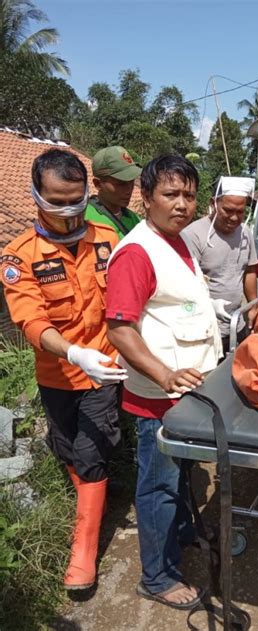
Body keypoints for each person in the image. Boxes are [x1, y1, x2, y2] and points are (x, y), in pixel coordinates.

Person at [0, 149, 127, 590]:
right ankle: (93, 501)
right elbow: (31, 321)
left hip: (104, 369)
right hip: (57, 373)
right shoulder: (19, 257)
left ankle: (83, 553)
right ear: (36, 195)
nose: (68, 214)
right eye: (56, 203)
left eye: (76, 202)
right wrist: (73, 353)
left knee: (91, 454)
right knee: (65, 448)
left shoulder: (107, 236)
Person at [106, 155, 221, 610]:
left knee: (185, 472)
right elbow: (120, 329)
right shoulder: (136, 253)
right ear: (147, 197)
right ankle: (156, 577)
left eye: (189, 195)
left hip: (189, 391)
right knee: (158, 485)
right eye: (170, 194)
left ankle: (184, 531)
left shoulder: (178, 243)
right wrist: (164, 373)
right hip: (158, 397)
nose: (182, 204)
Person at [182, 176, 258, 355]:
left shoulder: (245, 234)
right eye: (228, 210)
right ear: (213, 203)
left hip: (236, 324)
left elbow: (249, 271)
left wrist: (253, 307)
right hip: (203, 328)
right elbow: (185, 284)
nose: (234, 218)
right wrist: (209, 305)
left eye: (240, 212)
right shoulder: (194, 235)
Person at [85, 146, 142, 238]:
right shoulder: (84, 219)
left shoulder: (134, 220)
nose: (129, 190)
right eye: (121, 184)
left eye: (131, 182)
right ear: (98, 184)